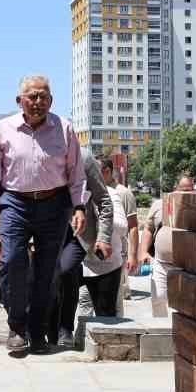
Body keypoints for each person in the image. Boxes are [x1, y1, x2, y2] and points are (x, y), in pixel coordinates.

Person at [0, 75, 86, 355]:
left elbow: (76, 173)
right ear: (20, 101)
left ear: (51, 101)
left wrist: (79, 207)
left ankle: (37, 331)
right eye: (32, 96)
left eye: (44, 97)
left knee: (47, 271)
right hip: (15, 202)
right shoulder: (3, 128)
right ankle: (17, 326)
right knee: (12, 261)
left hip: (54, 204)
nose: (38, 102)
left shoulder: (64, 128)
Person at [52, 148, 113, 348]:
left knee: (65, 270)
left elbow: (104, 201)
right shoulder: (41, 152)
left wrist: (103, 237)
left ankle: (65, 328)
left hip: (78, 233)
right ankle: (49, 329)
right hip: (48, 229)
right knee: (49, 276)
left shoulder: (85, 158)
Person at [139, 172, 195, 316]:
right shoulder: (160, 204)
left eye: (189, 190)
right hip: (161, 263)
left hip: (188, 267)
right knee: (158, 299)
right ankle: (160, 328)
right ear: (175, 188)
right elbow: (148, 228)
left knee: (183, 306)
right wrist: (143, 252)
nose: (186, 193)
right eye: (183, 190)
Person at [80, 183, 129, 318]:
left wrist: (102, 214)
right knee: (84, 307)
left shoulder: (111, 194)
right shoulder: (76, 191)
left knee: (106, 313)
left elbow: (123, 227)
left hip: (108, 265)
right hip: (84, 263)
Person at [101, 157, 140, 308]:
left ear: (107, 171)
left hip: (118, 255)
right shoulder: (92, 190)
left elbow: (133, 226)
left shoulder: (123, 193)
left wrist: (133, 256)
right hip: (94, 255)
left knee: (114, 299)